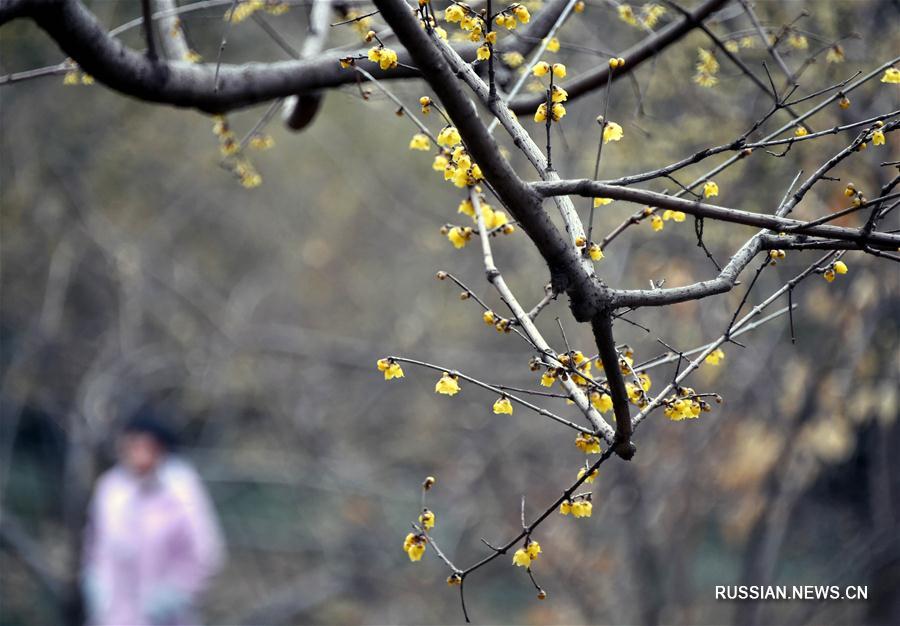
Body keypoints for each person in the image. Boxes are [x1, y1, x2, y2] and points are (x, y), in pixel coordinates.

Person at [82, 409, 225, 625]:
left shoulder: (181, 492)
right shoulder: (111, 489)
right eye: (131, 445)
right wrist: (96, 586)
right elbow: (96, 547)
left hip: (163, 616)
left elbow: (205, 554)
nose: (136, 453)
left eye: (144, 446)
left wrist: (172, 595)